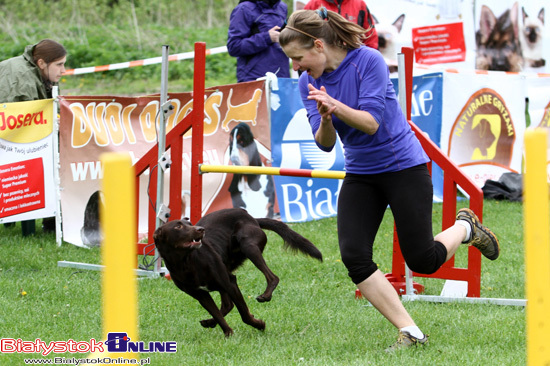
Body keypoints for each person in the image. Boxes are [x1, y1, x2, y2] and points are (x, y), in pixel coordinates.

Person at [279, 8, 500, 351]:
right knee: (354, 256)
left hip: (403, 168)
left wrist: (334, 106)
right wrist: (324, 119)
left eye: (298, 58)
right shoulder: (309, 81)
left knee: (422, 261)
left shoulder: (368, 61)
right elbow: (324, 146)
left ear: (318, 46)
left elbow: (371, 122)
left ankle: (466, 228)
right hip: (361, 173)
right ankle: (411, 332)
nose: (295, 68)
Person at [0, 39, 67, 235]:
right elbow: (24, 131)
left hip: (11, 137)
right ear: (41, 63)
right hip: (11, 143)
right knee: (60, 153)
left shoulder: (32, 69)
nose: (63, 70)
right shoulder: (24, 81)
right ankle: (52, 220)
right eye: (59, 65)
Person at [227, 0, 290, 82]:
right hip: (254, 78)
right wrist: (267, 37)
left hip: (282, 76)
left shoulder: (282, 7)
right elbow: (234, 46)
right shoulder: (243, 9)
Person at [303, 0, 378, 50]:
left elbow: (370, 39)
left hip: (353, 64)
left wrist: (370, 63)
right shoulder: (313, 5)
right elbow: (302, 38)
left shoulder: (360, 4)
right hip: (323, 66)